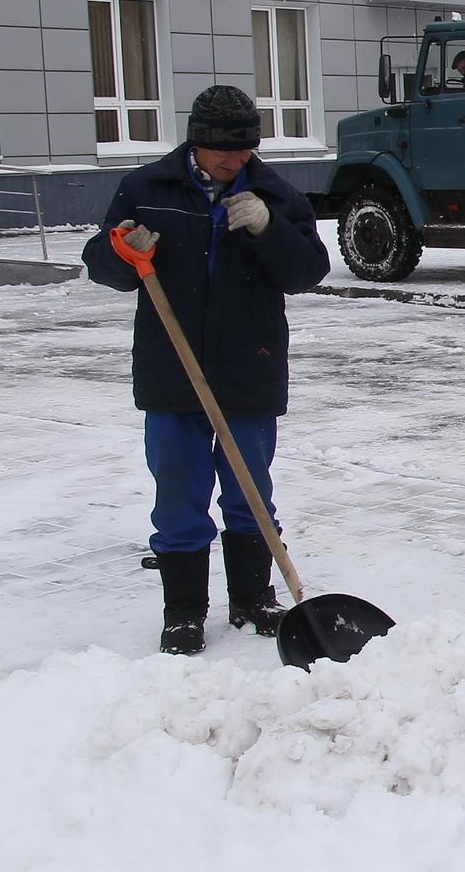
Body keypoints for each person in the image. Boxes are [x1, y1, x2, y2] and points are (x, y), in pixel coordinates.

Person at [83, 85, 332, 655]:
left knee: (250, 490)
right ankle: (184, 612)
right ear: (196, 143)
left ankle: (252, 599)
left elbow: (307, 272)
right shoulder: (146, 190)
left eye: (246, 150)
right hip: (172, 368)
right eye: (224, 151)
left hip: (251, 365)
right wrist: (122, 251)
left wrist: (269, 228)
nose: (235, 161)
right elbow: (104, 265)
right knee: (178, 491)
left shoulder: (274, 193)